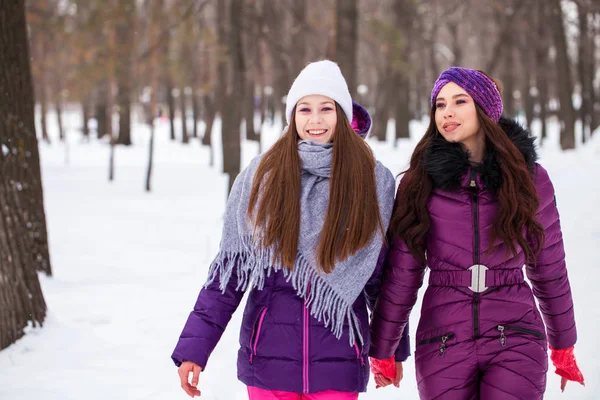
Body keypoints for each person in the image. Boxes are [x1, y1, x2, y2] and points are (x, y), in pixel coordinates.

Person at [171, 60, 409, 399]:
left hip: (339, 362)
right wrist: (194, 348)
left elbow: (380, 278)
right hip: (267, 360)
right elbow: (229, 274)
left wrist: (391, 349)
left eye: (326, 108)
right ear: (292, 116)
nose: (315, 119)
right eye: (305, 109)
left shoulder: (371, 181)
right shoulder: (262, 177)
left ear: (342, 115)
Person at [368, 67, 584, 399]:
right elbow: (402, 272)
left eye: (459, 101)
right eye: (439, 105)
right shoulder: (419, 182)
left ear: (485, 109)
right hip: (443, 337)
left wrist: (563, 344)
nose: (447, 112)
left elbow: (549, 266)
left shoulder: (529, 178)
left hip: (516, 333)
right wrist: (384, 346)